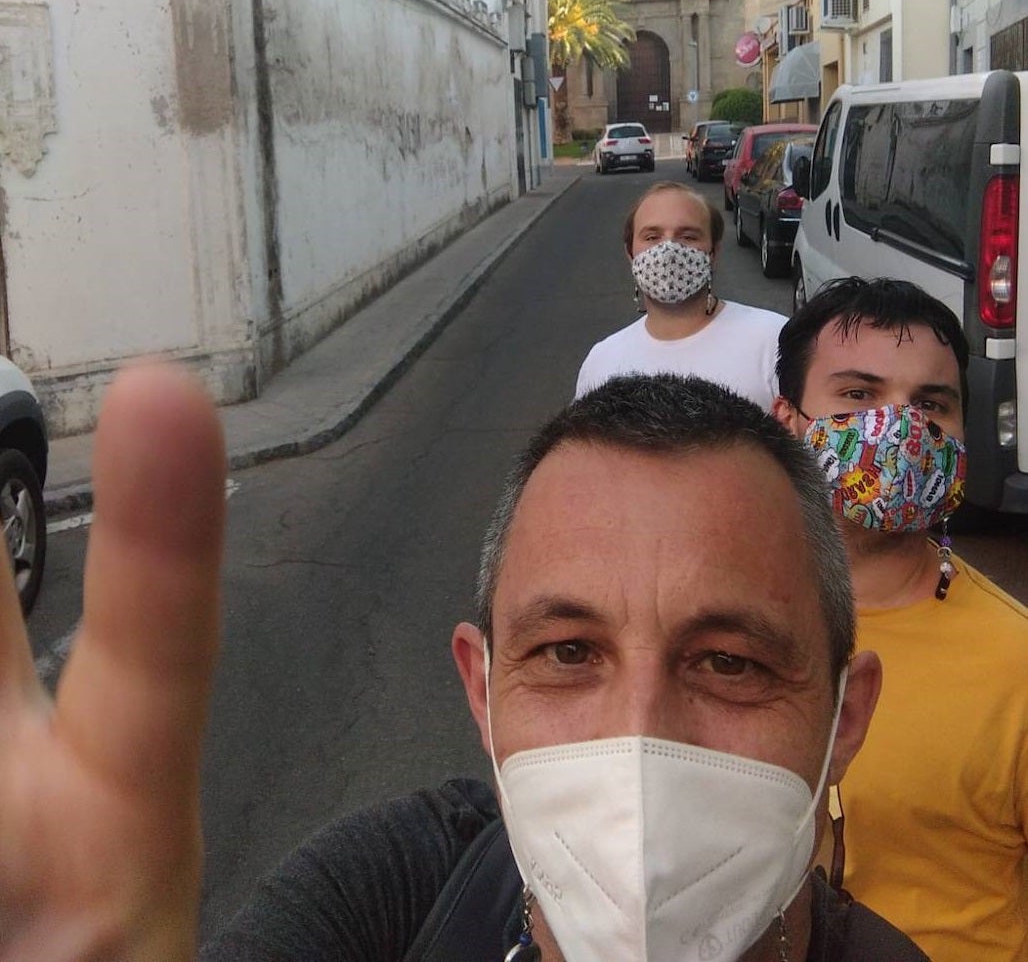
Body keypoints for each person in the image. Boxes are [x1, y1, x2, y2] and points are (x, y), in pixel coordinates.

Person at [0, 367, 924, 962]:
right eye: (567, 653)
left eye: (729, 663)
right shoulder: (393, 899)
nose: (638, 736)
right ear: (482, 689)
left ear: (845, 717)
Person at [774, 277, 1028, 962]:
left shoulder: (1016, 662)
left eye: (932, 405)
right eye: (858, 396)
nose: (901, 428)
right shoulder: (717, 627)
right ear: (786, 420)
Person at [574, 182, 786, 410]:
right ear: (630, 253)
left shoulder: (775, 340)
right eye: (652, 237)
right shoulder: (602, 363)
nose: (669, 250)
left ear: (713, 253)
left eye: (688, 237)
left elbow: (822, 440)